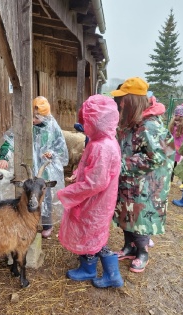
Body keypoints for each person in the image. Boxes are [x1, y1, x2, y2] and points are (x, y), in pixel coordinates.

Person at [58, 94, 123, 288]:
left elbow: (95, 182)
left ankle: (95, 271)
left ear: (96, 122)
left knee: (91, 233)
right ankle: (104, 271)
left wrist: (68, 193)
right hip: (102, 200)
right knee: (96, 234)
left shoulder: (101, 146)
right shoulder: (107, 141)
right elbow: (92, 168)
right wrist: (78, 172)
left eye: (86, 121)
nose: (83, 125)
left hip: (94, 200)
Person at [111, 77, 175, 273]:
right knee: (126, 214)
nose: (120, 104)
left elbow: (161, 156)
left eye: (123, 100)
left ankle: (142, 252)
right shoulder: (132, 121)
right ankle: (129, 247)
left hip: (146, 185)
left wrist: (122, 164)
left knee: (140, 219)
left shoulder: (150, 125)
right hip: (130, 181)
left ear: (132, 102)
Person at [0, 96, 68, 238]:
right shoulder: (25, 124)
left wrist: (51, 153)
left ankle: (47, 224)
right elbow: (10, 139)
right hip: (28, 168)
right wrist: (4, 156)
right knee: (27, 195)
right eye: (32, 116)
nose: (33, 120)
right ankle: (28, 222)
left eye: (37, 117)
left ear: (45, 117)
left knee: (45, 196)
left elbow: (61, 148)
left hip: (45, 170)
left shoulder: (52, 127)